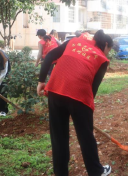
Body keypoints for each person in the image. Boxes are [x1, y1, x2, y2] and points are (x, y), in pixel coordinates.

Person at [37, 30, 113, 176]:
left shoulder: (74, 41)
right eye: (109, 50)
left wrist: (41, 81)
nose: (108, 53)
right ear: (106, 44)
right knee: (85, 136)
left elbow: (51, 55)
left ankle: (61, 173)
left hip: (55, 89)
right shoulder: (102, 58)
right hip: (78, 95)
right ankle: (96, 172)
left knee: (58, 136)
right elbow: (92, 90)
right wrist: (85, 116)